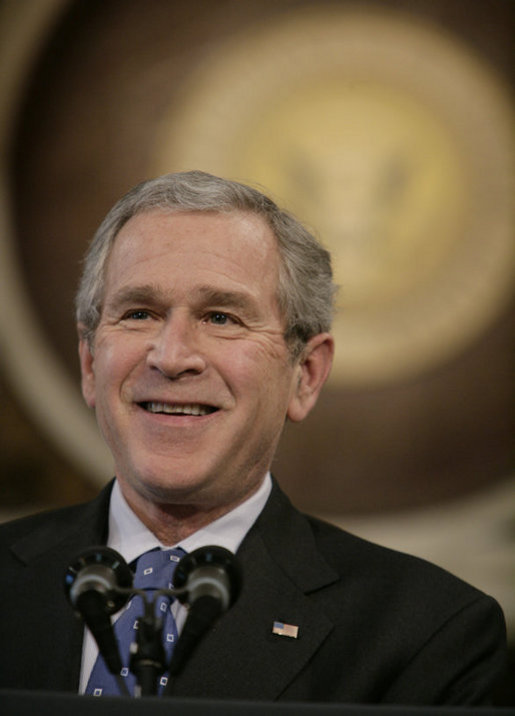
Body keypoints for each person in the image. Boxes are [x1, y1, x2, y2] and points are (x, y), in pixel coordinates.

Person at [0, 171, 506, 704]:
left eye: (221, 317)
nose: (171, 357)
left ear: (305, 374)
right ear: (88, 364)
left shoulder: (428, 634)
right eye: (139, 314)